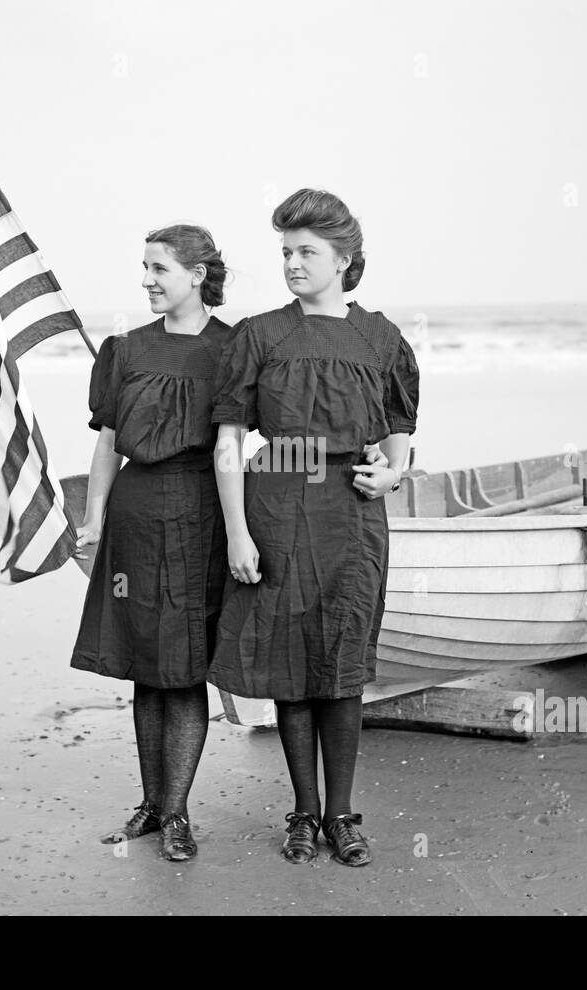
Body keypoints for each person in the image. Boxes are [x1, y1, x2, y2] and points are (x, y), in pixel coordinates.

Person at [209, 189, 420, 866]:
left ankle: (343, 815)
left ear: (343, 259)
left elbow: (400, 431)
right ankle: (302, 812)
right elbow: (229, 442)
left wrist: (394, 474)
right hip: (277, 505)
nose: (293, 264)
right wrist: (238, 532)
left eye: (307, 252)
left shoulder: (380, 336)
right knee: (293, 665)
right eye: (286, 252)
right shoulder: (260, 334)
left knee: (344, 664)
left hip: (354, 516)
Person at [70, 224, 231, 862]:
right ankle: (151, 804)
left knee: (185, 667)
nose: (147, 280)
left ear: (197, 274)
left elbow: (242, 442)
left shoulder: (233, 349)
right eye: (144, 267)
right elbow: (108, 441)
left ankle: (177, 814)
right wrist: (94, 516)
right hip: (136, 516)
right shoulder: (125, 349)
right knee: (144, 665)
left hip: (200, 513)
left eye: (159, 268)